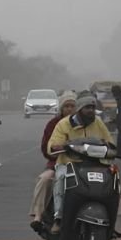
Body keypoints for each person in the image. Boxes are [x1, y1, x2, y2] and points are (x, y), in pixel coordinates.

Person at [47, 92, 114, 234]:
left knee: (113, 180)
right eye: (87, 107)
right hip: (69, 164)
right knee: (60, 179)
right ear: (79, 109)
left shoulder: (98, 123)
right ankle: (58, 218)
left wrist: (111, 150)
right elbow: (52, 145)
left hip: (95, 165)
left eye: (92, 107)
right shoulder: (64, 124)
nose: (90, 111)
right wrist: (60, 147)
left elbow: (109, 142)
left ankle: (111, 222)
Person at [29, 90, 77, 231]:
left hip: (81, 165)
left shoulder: (84, 123)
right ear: (61, 108)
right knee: (45, 180)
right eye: (66, 106)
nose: (69, 109)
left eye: (72, 106)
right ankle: (38, 215)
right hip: (58, 163)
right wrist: (58, 152)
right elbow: (46, 147)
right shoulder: (54, 124)